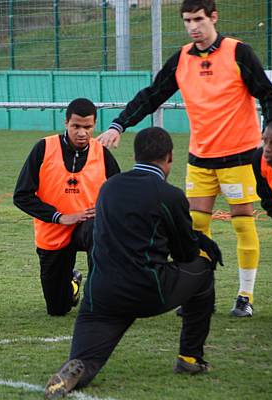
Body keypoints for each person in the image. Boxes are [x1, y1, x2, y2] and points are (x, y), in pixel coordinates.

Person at [96, 0, 272, 317]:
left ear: (213, 17)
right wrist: (119, 124)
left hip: (239, 156)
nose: (193, 26)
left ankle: (244, 296)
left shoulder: (238, 52)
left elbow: (269, 94)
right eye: (187, 20)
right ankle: (198, 291)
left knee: (242, 222)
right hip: (200, 158)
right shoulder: (182, 59)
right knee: (195, 226)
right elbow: (152, 94)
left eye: (198, 19)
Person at [44, 127, 223, 399]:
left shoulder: (108, 188)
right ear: (169, 158)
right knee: (203, 269)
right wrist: (199, 241)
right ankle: (190, 358)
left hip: (101, 294)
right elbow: (185, 254)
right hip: (147, 289)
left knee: (88, 359)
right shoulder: (170, 195)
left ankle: (73, 372)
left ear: (135, 155)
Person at [13, 98, 121, 316]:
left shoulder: (101, 153)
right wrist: (59, 217)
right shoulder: (43, 148)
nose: (82, 133)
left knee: (97, 230)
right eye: (76, 127)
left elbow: (119, 194)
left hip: (86, 228)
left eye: (88, 127)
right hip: (53, 232)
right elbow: (21, 196)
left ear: (94, 125)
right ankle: (72, 283)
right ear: (66, 123)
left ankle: (98, 299)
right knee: (57, 309)